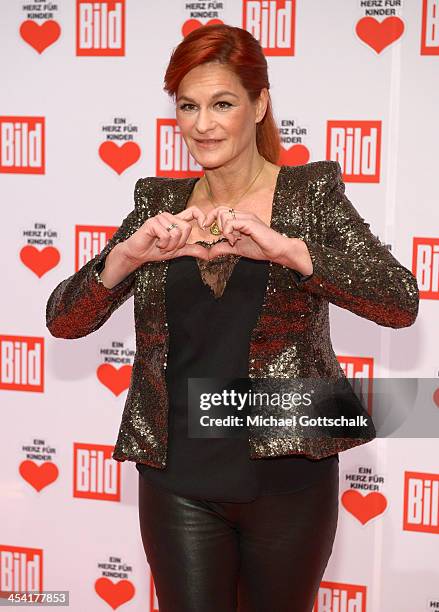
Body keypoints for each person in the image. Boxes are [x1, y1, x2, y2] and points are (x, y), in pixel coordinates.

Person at [46, 24, 419, 612]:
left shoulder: (309, 195)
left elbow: (398, 300)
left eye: (222, 104)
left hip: (288, 478)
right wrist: (124, 258)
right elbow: (64, 320)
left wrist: (290, 251)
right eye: (187, 107)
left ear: (260, 104)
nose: (203, 124)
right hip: (179, 482)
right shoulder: (157, 205)